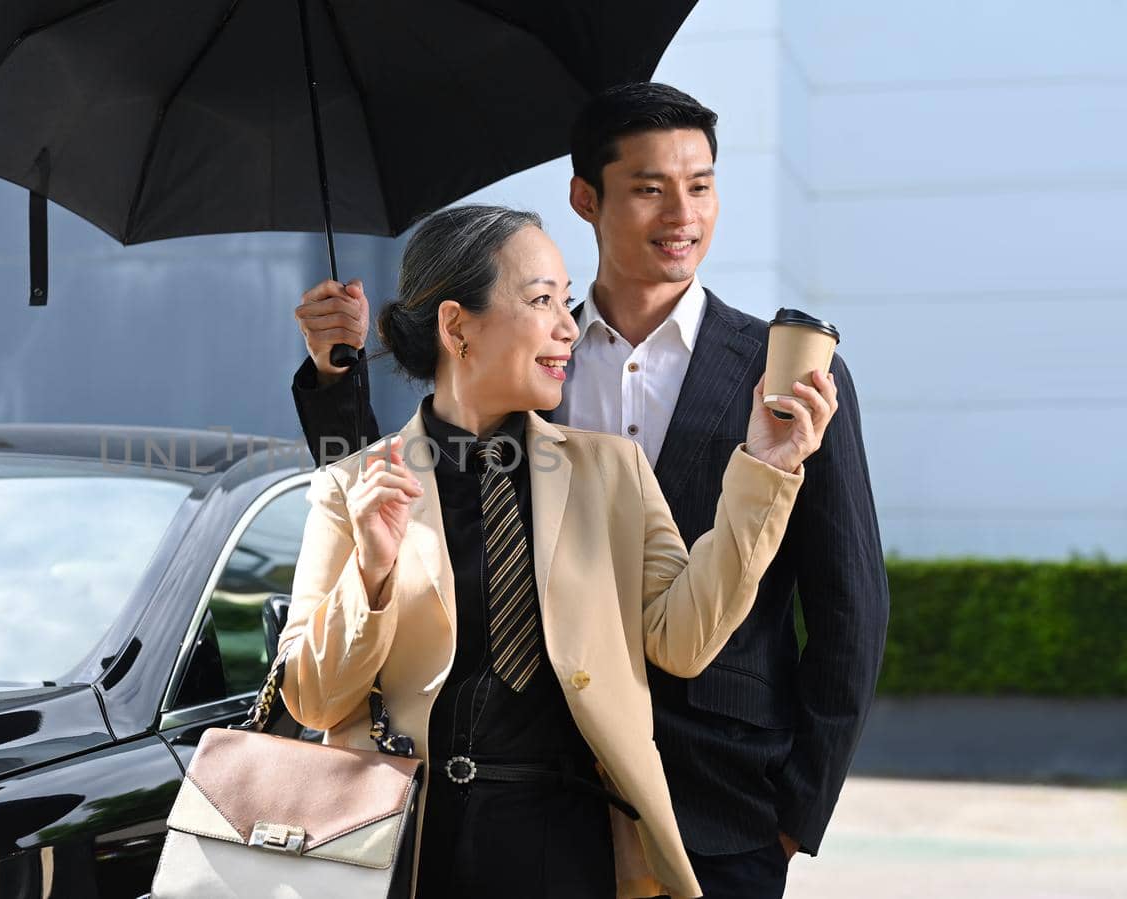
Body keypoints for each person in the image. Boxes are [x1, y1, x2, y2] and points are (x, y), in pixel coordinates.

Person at [290, 83, 889, 899]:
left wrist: (796, 810)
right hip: (422, 831)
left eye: (702, 184)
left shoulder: (707, 405)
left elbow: (845, 605)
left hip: (694, 807)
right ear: (587, 197)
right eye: (649, 186)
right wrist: (341, 384)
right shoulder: (514, 372)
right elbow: (394, 486)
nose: (683, 212)